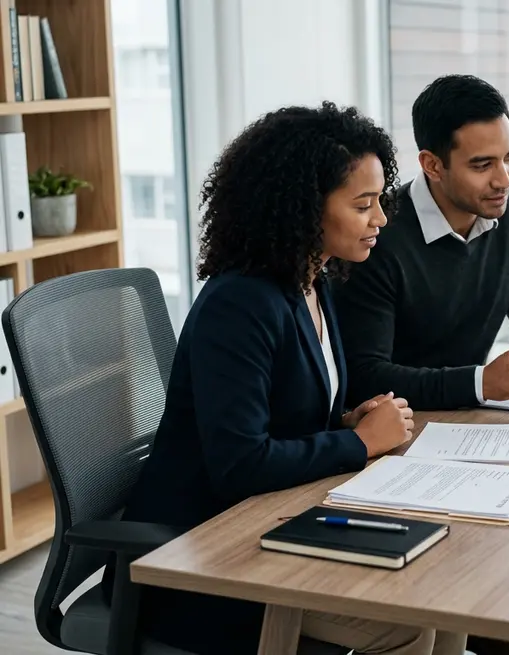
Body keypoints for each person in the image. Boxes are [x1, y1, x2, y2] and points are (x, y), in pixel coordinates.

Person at [111, 102, 466, 655]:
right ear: (304, 207)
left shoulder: (311, 280)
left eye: (379, 201)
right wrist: (357, 442)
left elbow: (281, 413)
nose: (381, 219)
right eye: (363, 205)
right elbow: (239, 464)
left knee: (445, 593)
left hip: (273, 521)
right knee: (405, 623)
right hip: (199, 557)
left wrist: (344, 422)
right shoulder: (239, 304)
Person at [335, 74, 509, 418]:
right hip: (398, 428)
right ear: (433, 165)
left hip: (470, 420)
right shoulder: (374, 235)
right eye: (482, 165)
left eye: (508, 157)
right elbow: (364, 376)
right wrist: (479, 383)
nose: (504, 179)